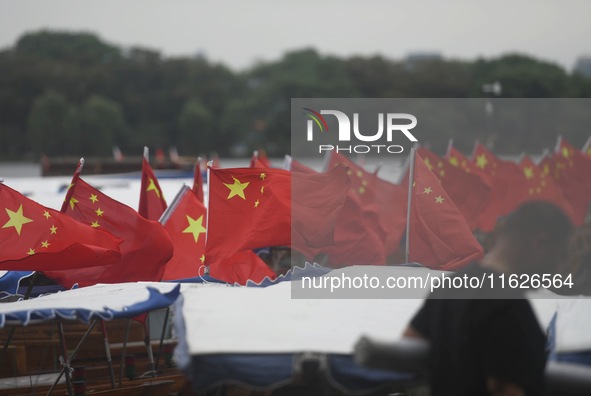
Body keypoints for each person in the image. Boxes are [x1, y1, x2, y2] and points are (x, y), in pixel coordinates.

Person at [403, 201, 573, 396]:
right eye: (560, 257)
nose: (558, 269)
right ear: (540, 243)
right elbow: (505, 389)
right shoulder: (510, 307)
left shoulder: (451, 285)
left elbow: (410, 344)